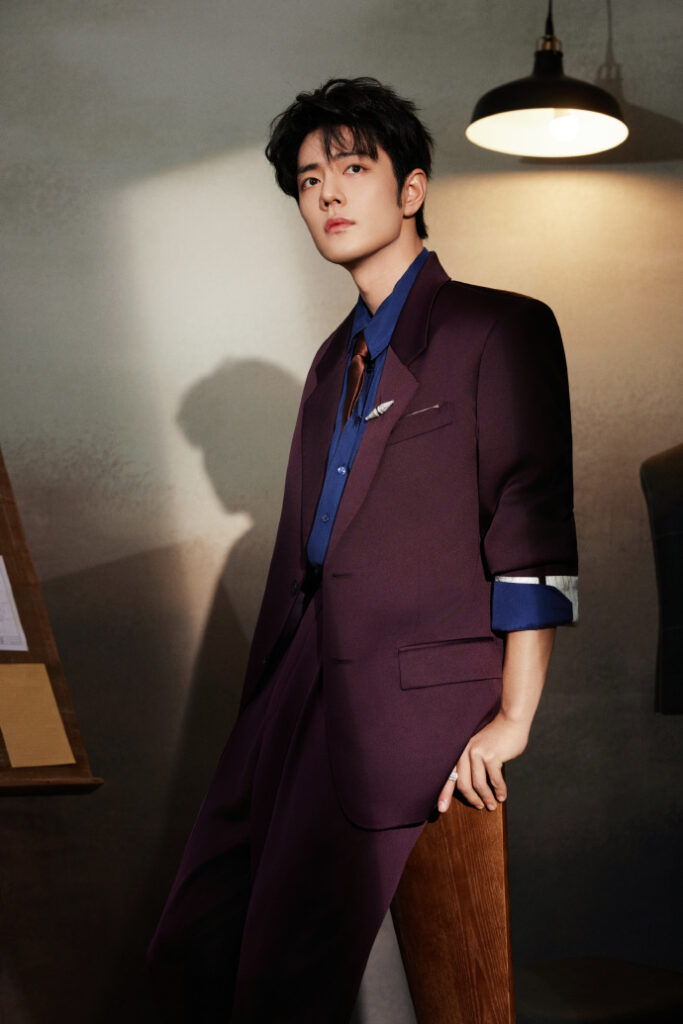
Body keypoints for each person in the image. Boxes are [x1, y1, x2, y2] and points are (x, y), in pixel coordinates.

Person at [146, 76, 578, 1023]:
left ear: (411, 188)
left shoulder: (497, 328)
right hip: (294, 681)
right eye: (308, 181)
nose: (327, 194)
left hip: (411, 696)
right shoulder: (331, 359)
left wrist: (515, 715)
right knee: (195, 939)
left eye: (350, 168)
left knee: (285, 971)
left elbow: (530, 523)